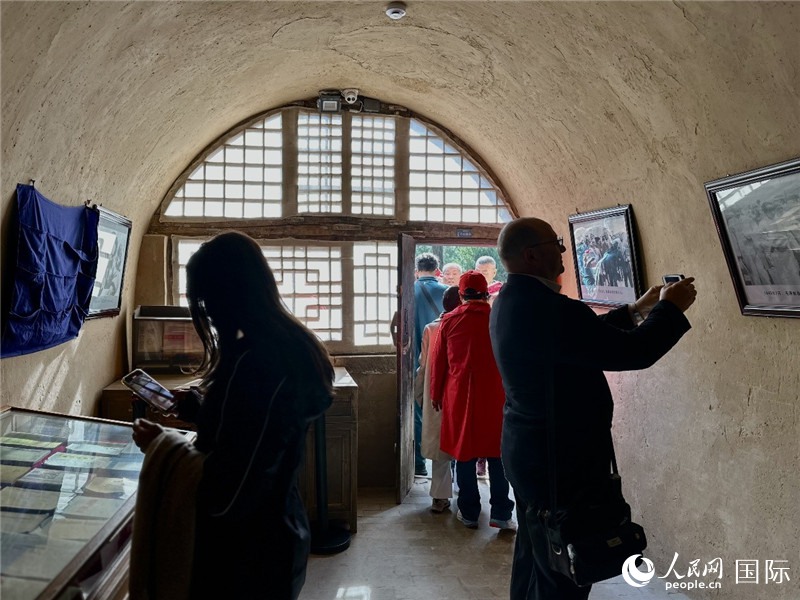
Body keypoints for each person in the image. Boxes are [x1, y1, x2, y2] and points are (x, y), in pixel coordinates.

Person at [489, 217, 696, 600]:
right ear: (533, 255)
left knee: (536, 558)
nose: (564, 253)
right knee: (564, 574)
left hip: (529, 451)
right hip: (559, 463)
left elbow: (582, 338)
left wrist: (637, 309)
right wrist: (671, 310)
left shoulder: (513, 298)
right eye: (557, 244)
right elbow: (633, 352)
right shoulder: (549, 308)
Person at [130, 231, 334, 600]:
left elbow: (229, 489)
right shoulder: (282, 349)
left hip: (246, 557)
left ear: (228, 295)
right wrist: (199, 408)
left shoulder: (257, 363)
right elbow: (252, 434)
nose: (206, 313)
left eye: (206, 301)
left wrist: (162, 444)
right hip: (278, 531)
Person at [430, 271, 515, 530]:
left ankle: (469, 513)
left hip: (459, 398)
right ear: (486, 292)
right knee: (497, 455)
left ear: (460, 294)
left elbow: (439, 363)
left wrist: (435, 394)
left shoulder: (449, 321)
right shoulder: (500, 319)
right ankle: (501, 514)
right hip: (496, 396)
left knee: (463, 454)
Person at [415, 285, 461, 513]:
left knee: (440, 445)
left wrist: (420, 393)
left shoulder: (432, 328)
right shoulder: (469, 327)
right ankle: (465, 493)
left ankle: (440, 497)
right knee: (462, 444)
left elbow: (423, 365)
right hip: (460, 392)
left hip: (436, 391)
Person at [413, 252, 449, 476]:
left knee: (418, 412)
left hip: (415, 361)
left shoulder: (408, 292)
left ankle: (418, 463)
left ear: (417, 270)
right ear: (437, 271)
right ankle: (451, 461)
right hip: (445, 363)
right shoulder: (448, 292)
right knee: (446, 413)